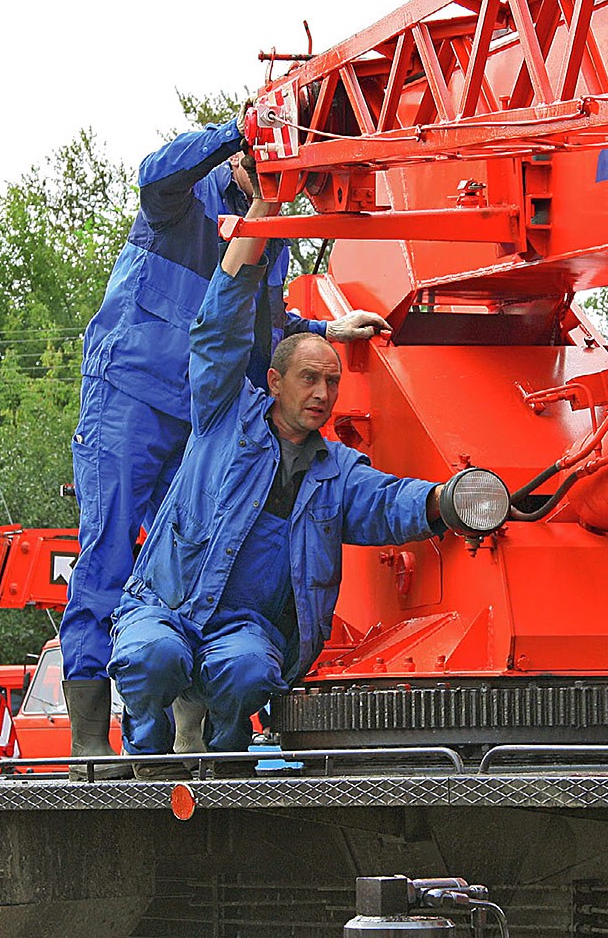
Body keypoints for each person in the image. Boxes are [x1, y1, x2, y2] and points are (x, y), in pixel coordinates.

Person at [62, 115, 387, 778]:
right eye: (280, 168)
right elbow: (154, 170)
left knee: (206, 554)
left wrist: (326, 327)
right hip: (131, 394)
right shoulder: (183, 193)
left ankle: (193, 730)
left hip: (203, 415)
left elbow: (260, 324)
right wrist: (237, 131)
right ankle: (90, 739)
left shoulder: (273, 237)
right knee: (107, 548)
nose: (286, 185)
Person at [107, 183, 445, 775]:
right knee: (152, 656)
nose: (321, 394)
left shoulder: (335, 470)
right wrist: (263, 211)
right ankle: (148, 752)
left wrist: (450, 501)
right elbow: (217, 329)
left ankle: (226, 760)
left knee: (249, 671)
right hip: (166, 603)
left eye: (332, 383)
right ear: (274, 380)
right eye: (309, 379)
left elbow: (390, 501)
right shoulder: (223, 413)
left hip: (245, 624)